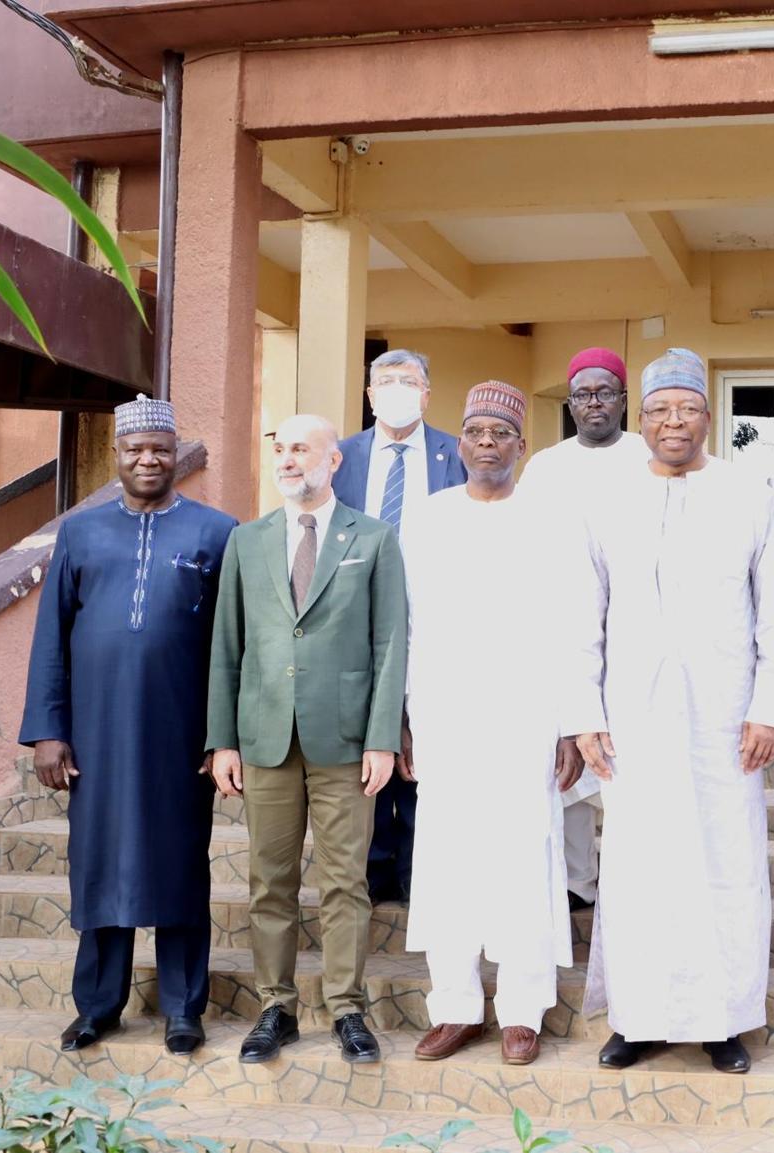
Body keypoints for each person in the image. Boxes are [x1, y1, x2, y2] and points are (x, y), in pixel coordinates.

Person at [565, 348, 774, 1076]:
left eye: (687, 408)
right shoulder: (607, 497)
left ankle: (724, 1018)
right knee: (637, 864)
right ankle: (638, 1017)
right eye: (660, 408)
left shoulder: (748, 490)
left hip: (726, 717)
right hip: (632, 711)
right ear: (643, 416)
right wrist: (583, 712)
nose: (673, 421)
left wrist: (768, 707)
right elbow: (582, 614)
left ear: (706, 415)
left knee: (726, 861)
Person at [19, 396, 235, 1057]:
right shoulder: (81, 533)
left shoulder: (217, 531)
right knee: (99, 863)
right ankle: (99, 1005)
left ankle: (182, 1008)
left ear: (178, 456)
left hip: (180, 733)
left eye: (160, 449)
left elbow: (233, 645)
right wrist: (48, 728)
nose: (148, 459)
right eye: (135, 449)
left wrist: (222, 734)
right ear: (116, 454)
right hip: (98, 734)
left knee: (179, 864)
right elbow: (50, 634)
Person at [206, 413, 408, 1066]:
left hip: (347, 740)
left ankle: (348, 1007)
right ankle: (277, 1006)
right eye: (282, 447)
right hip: (264, 736)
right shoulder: (247, 541)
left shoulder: (372, 539)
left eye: (303, 448)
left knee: (346, 882)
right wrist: (222, 740)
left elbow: (389, 643)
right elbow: (226, 646)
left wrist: (383, 736)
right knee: (270, 878)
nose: (289, 458)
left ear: (334, 460)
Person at [407, 382, 579, 1068]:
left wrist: (571, 721)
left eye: (500, 433)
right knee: (450, 861)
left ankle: (522, 1010)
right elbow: (409, 623)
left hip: (526, 715)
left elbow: (572, 625)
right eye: (475, 431)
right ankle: (454, 1006)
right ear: (459, 444)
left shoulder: (549, 518)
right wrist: (404, 717)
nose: (486, 443)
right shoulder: (426, 518)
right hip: (446, 713)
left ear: (520, 445)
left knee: (524, 859)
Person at [330, 349, 467, 907]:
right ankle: (373, 862)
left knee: (422, 739)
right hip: (358, 617)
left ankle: (416, 867)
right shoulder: (341, 456)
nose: (395, 390)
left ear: (427, 393)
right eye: (384, 382)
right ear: (368, 396)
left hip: (434, 616)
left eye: (407, 381)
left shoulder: (454, 455)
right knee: (367, 738)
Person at [518, 347, 651, 915]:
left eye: (604, 393)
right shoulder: (547, 467)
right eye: (582, 395)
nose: (593, 403)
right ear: (570, 405)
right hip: (563, 630)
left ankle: (632, 883)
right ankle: (578, 882)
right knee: (570, 754)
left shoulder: (649, 457)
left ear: (624, 401)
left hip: (638, 629)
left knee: (633, 762)